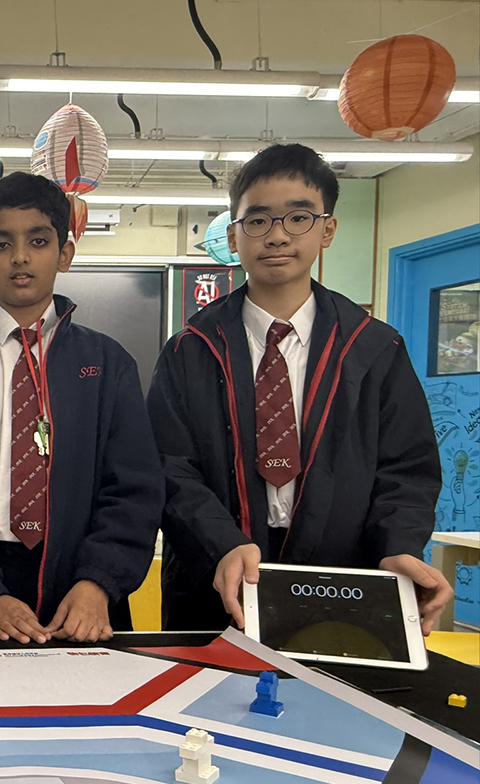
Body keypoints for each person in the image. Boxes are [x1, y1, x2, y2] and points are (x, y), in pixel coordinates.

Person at [147, 143, 450, 632]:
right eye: (258, 220)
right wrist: (221, 542)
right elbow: (170, 467)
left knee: (333, 680)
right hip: (217, 577)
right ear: (234, 235)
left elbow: (406, 469)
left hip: (342, 578)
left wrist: (398, 546)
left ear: (327, 229)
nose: (277, 235)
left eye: (299, 218)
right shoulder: (191, 349)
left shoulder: (373, 348)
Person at [0, 172, 163, 644]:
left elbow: (134, 488)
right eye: (1, 244)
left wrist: (98, 582)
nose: (20, 257)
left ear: (65, 254)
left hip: (81, 593)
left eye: (38, 241)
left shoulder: (107, 364)